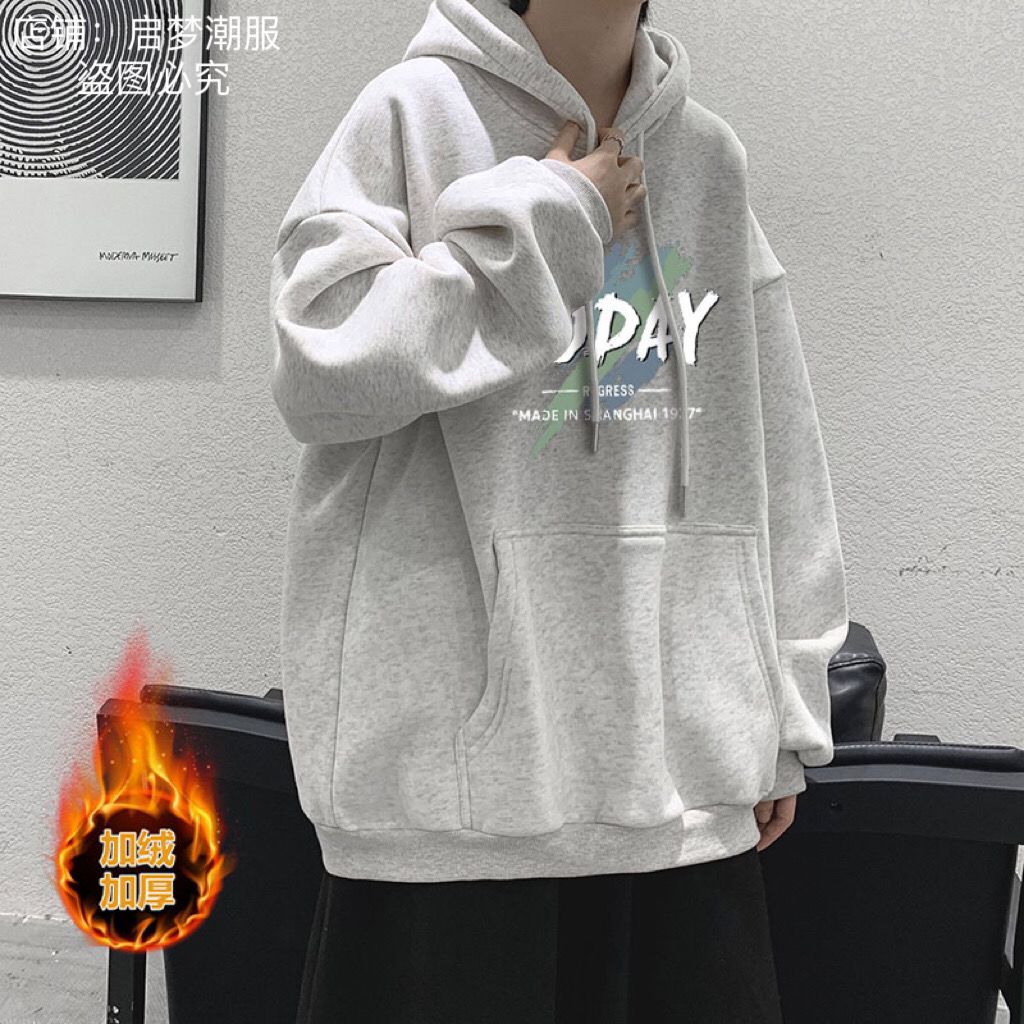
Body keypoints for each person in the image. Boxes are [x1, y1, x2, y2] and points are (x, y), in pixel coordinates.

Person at [269, 0, 850, 1020]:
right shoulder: (411, 114)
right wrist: (554, 219)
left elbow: (781, 447)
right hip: (449, 812)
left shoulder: (707, 160)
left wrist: (784, 708)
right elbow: (320, 368)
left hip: (679, 790)